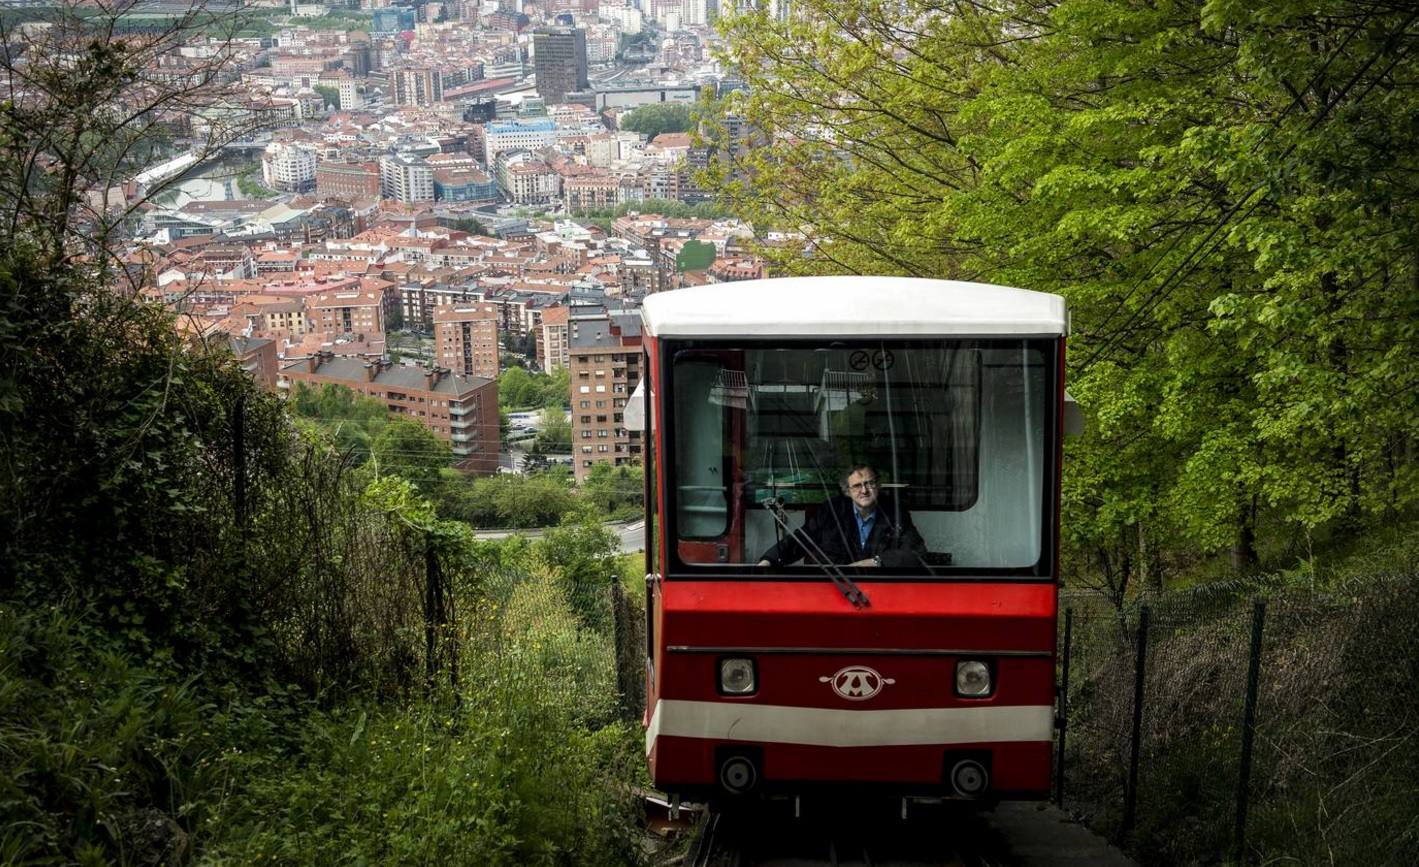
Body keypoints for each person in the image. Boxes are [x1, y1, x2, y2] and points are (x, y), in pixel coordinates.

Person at [757, 464, 926, 568]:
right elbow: (801, 540)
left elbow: (916, 553)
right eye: (857, 486)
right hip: (836, 592)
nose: (864, 491)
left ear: (878, 485)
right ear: (847, 491)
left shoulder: (895, 512)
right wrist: (769, 560)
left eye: (869, 483)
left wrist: (876, 562)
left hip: (881, 592)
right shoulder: (831, 512)